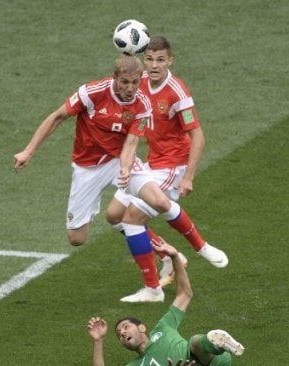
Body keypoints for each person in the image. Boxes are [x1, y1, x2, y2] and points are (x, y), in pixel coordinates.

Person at [105, 36, 229, 302]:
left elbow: (198, 136)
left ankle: (154, 288)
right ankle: (171, 256)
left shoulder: (176, 91)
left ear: (170, 61)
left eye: (160, 60)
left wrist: (188, 177)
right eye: (149, 58)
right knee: (114, 215)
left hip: (173, 165)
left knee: (132, 219)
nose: (154, 65)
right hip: (151, 163)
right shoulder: (139, 85)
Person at [13, 55, 152, 246]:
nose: (130, 88)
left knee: (156, 198)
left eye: (135, 82)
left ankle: (186, 249)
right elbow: (57, 116)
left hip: (118, 160)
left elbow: (131, 144)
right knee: (76, 238)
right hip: (87, 166)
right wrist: (28, 151)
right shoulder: (91, 92)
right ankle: (153, 241)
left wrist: (126, 168)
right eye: (124, 82)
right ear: (114, 78)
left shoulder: (142, 104)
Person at [87, 239, 244, 366]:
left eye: (126, 327)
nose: (122, 333)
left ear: (142, 327)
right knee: (195, 343)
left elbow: (185, 295)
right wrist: (98, 340)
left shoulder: (163, 327)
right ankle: (214, 342)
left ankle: (216, 343)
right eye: (119, 335)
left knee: (195, 343)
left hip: (211, 360)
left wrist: (175, 258)